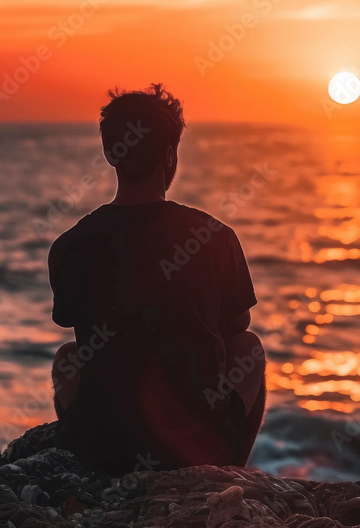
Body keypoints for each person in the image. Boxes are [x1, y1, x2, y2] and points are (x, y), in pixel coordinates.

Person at [48, 84, 266, 475]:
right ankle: (228, 469)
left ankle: (85, 464)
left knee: (66, 358)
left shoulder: (70, 244)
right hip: (192, 445)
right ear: (169, 156)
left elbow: (73, 323)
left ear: (109, 153)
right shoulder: (214, 236)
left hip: (105, 446)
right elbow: (238, 327)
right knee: (249, 347)